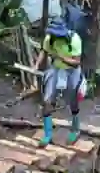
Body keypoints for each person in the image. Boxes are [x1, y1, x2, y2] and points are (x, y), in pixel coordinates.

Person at [35, 15, 83, 147]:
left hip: (72, 70)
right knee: (47, 100)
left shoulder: (74, 40)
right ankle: (47, 134)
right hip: (56, 68)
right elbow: (44, 51)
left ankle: (75, 129)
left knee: (72, 98)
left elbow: (76, 62)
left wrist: (62, 57)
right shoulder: (49, 39)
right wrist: (37, 65)